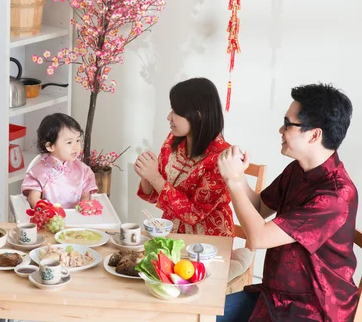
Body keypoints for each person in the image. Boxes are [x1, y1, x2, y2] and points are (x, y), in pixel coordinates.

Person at [217, 83, 358, 321]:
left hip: (311, 309)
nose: (281, 129)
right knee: (201, 314)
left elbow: (258, 237)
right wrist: (239, 178)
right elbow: (260, 209)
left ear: (315, 134)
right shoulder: (298, 170)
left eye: (288, 123)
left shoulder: (335, 196)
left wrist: (232, 181)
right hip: (275, 296)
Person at [135, 77, 234, 237]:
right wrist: (146, 174)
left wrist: (154, 177)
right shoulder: (173, 141)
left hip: (208, 241)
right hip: (170, 230)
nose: (169, 117)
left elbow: (193, 214)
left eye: (175, 111)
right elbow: (154, 195)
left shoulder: (223, 158)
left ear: (198, 115)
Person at [22, 113, 98, 209]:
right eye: (69, 142)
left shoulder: (83, 170)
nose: (76, 147)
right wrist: (47, 212)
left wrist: (81, 209)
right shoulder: (38, 172)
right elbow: (33, 198)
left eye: (78, 140)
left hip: (78, 220)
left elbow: (86, 197)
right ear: (50, 146)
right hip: (49, 220)